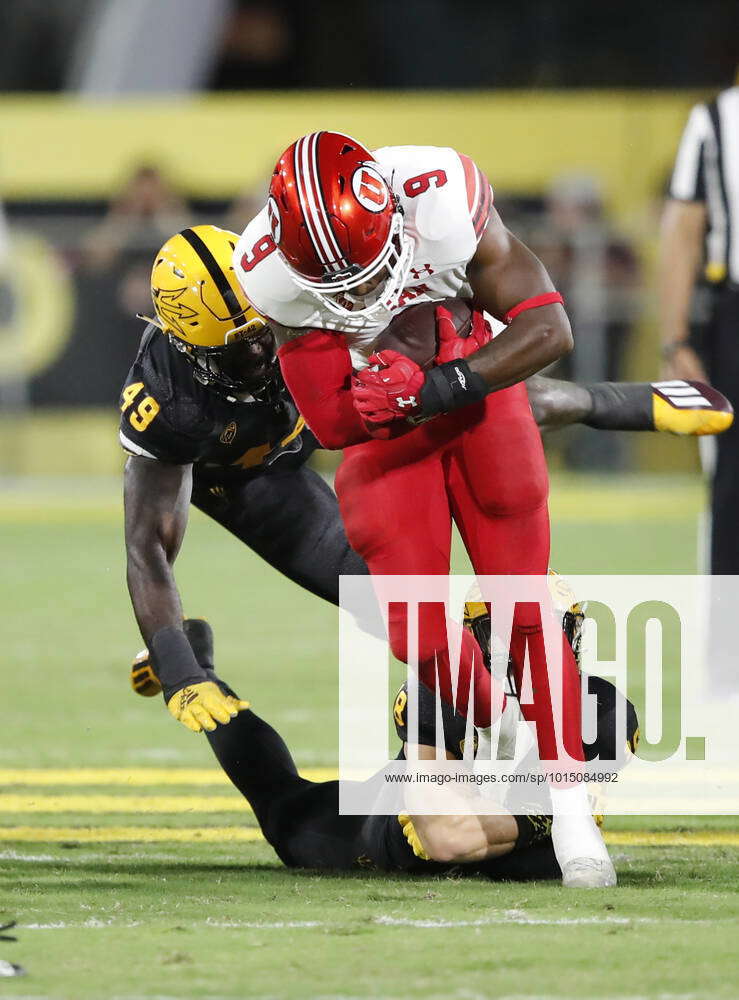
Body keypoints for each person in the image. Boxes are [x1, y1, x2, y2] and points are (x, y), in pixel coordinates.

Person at [233, 132, 728, 886]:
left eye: (368, 274)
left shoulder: (439, 196)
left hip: (475, 396)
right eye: (337, 285)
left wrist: (435, 384)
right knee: (416, 628)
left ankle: (565, 811)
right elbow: (330, 424)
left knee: (520, 602)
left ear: (395, 218)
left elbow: (546, 327)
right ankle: (504, 727)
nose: (359, 296)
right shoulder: (267, 272)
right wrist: (384, 398)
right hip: (391, 431)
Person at [122, 225, 729, 731]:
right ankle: (480, 719)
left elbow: (472, 391)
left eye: (266, 331)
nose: (262, 354)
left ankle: (618, 402)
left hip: (326, 412)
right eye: (241, 348)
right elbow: (148, 542)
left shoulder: (301, 302)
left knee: (479, 399)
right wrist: (179, 666)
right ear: (191, 348)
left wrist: (609, 403)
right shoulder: (168, 399)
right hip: (252, 474)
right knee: (382, 600)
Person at [132, 617, 638, 883]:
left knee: (532, 864)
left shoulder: (603, 709)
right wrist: (555, 819)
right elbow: (449, 839)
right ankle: (196, 664)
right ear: (475, 638)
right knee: (283, 805)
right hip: (381, 828)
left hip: (481, 826)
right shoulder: (442, 687)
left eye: (546, 630)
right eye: (513, 631)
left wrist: (534, 823)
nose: (531, 648)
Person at [659, 83, 739, 575]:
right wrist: (676, 338)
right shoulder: (717, 118)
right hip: (733, 318)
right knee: (731, 487)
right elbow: (683, 230)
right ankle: (728, 646)